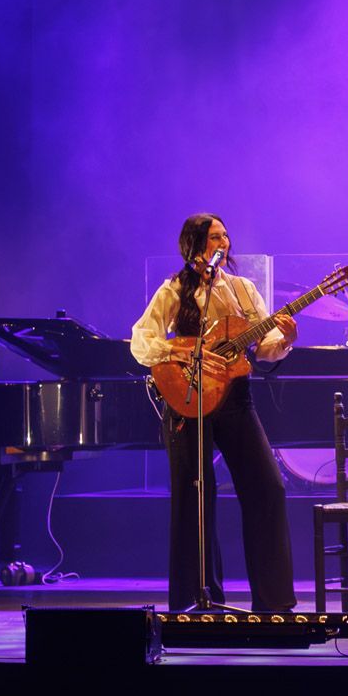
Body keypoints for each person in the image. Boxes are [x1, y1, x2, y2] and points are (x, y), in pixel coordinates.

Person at [130, 214, 298, 612]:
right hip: (188, 399)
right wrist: (182, 350)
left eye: (225, 235)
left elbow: (264, 347)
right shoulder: (175, 289)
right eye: (213, 237)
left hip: (237, 399)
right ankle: (197, 603)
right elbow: (141, 341)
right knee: (194, 497)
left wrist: (285, 339)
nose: (223, 242)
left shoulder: (242, 289)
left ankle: (274, 603)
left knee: (268, 488)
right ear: (194, 246)